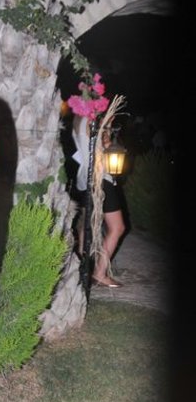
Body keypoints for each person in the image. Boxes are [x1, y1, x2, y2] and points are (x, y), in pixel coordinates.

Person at [71, 113, 126, 287]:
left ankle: (80, 270)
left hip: (87, 178)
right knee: (117, 227)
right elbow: (103, 145)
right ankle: (100, 273)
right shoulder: (91, 121)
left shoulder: (78, 121)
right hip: (101, 179)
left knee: (88, 224)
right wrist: (106, 125)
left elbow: (98, 144)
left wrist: (106, 128)